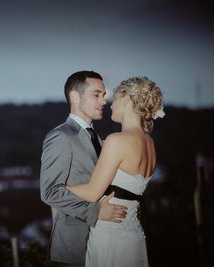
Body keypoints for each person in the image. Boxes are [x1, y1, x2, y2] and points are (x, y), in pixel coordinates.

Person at [65, 76, 164, 267]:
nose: (110, 105)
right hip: (133, 234)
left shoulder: (117, 140)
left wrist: (59, 186)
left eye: (115, 99)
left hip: (110, 234)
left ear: (127, 100)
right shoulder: (150, 144)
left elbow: (92, 193)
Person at [40, 70, 128, 267]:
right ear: (75, 96)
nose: (104, 100)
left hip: (105, 243)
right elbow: (49, 192)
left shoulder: (98, 139)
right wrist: (95, 212)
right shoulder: (61, 137)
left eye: (104, 95)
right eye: (96, 94)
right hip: (73, 248)